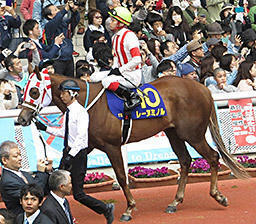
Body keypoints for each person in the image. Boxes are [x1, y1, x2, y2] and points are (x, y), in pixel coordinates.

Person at [35, 80, 115, 224]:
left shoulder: (81, 112)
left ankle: (105, 208)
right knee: (54, 185)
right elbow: (63, 132)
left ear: (72, 94)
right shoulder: (68, 112)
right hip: (69, 154)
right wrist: (44, 128)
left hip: (77, 156)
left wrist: (70, 156)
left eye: (64, 93)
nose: (61, 96)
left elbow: (81, 137)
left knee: (78, 194)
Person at [102, 6, 142, 110]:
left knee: (106, 81)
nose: (110, 22)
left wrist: (120, 70)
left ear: (121, 23)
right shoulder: (114, 37)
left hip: (132, 75)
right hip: (122, 73)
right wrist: (114, 69)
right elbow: (116, 57)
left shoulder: (130, 36)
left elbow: (137, 59)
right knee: (94, 77)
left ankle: (132, 97)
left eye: (113, 20)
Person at [0, 141, 51, 215]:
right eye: (15, 156)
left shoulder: (23, 173)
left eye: (20, 155)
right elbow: (35, 193)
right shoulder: (7, 181)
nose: (20, 158)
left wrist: (47, 171)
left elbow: (44, 189)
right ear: (5, 160)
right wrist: (41, 172)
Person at [42, 1, 80, 77]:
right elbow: (56, 20)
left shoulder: (64, 23)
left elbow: (75, 21)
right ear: (49, 16)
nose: (59, 11)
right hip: (57, 60)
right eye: (55, 10)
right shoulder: (49, 25)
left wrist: (74, 11)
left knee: (70, 81)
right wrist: (65, 9)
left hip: (69, 58)